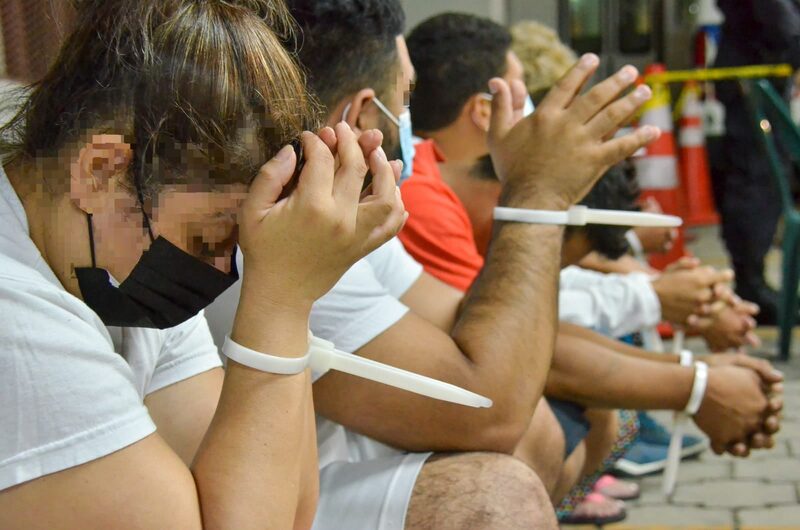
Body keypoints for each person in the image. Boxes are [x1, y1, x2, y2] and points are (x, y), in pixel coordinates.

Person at [205, 0, 662, 527]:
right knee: (495, 491)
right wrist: (537, 197)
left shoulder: (345, 210)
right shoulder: (287, 229)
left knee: (536, 429)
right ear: (362, 114)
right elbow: (489, 405)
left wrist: (689, 377)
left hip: (300, 480)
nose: (413, 128)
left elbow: (467, 324)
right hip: (267, 498)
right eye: (407, 100)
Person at [0, 1, 408, 528]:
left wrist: (293, 290)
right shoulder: (14, 317)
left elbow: (284, 512)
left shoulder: (119, 256)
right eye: (208, 237)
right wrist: (281, 300)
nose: (219, 270)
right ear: (100, 173)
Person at [402, 9, 782, 459]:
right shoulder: (422, 202)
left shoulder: (429, 180)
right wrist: (695, 379)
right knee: (570, 425)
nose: (536, 112)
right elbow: (507, 342)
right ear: (487, 108)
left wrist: (691, 367)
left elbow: (529, 314)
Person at [711, 0, 800, 324]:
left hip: (753, 77)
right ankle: (752, 287)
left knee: (759, 184)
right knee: (756, 185)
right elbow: (780, 21)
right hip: (752, 82)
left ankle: (754, 283)